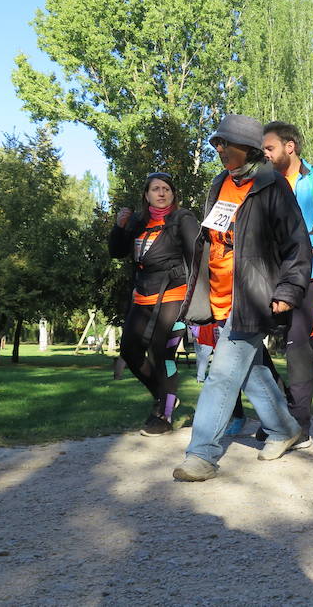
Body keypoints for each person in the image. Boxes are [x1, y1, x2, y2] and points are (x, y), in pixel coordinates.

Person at [172, 115, 312, 482]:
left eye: (224, 144)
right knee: (250, 371)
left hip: (252, 295)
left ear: (247, 148)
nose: (218, 149)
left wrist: (288, 290)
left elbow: (298, 243)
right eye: (215, 143)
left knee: (221, 374)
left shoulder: (273, 186)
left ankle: (202, 454)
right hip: (218, 293)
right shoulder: (220, 183)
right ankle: (285, 429)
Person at [261, 122, 313, 446]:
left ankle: (299, 425)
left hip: (308, 274)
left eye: (269, 148)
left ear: (290, 146)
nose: (264, 154)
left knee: (297, 349)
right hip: (268, 275)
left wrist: (304, 247)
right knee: (249, 342)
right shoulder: (264, 184)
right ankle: (280, 412)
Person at [109, 172, 199, 436]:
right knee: (129, 350)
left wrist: (197, 301)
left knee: (161, 354)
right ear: (146, 195)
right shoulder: (137, 222)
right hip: (142, 296)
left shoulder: (183, 219)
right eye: (155, 189)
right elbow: (116, 252)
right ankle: (164, 396)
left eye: (166, 189)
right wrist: (119, 227)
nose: (161, 193)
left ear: (173, 194)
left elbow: (197, 257)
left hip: (175, 295)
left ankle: (164, 415)